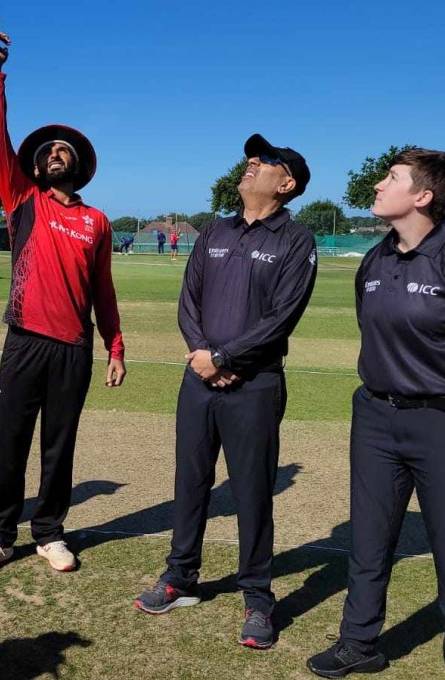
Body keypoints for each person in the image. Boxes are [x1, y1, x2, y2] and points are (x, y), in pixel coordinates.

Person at [306, 149, 445, 680]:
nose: (379, 185)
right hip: (377, 419)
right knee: (368, 540)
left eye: (392, 177)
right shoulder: (374, 260)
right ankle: (358, 644)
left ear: (423, 196)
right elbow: (371, 327)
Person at [134, 134, 317, 652]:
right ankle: (180, 577)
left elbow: (282, 316)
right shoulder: (215, 229)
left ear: (287, 184)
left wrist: (226, 358)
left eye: (265, 161)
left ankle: (258, 597)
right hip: (198, 380)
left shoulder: (296, 239)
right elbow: (188, 300)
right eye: (250, 158)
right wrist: (203, 355)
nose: (251, 164)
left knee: (252, 491)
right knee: (191, 481)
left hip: (254, 384)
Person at [0, 18, 127, 576]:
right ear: (36, 166)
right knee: (10, 441)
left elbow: (103, 290)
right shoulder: (23, 200)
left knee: (60, 445)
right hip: (25, 342)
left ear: (76, 165)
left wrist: (115, 346)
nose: (56, 154)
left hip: (72, 348)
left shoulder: (96, 220)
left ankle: (50, 533)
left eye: (64, 151)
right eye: (49, 151)